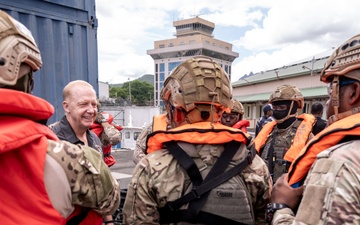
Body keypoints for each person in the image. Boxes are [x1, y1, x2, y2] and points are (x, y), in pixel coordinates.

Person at [0, 10, 120, 225]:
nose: (91, 110)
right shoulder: (54, 145)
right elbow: (108, 197)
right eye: (83, 104)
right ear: (66, 107)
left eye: (94, 104)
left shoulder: (93, 138)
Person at [123, 56, 272, 224]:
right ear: (222, 110)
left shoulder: (150, 168)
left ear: (175, 110)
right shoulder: (255, 165)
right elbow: (262, 219)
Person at [268, 34, 360, 224]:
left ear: (354, 93)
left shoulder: (338, 162)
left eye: (331, 91)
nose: (327, 102)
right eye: (275, 106)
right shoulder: (268, 132)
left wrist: (281, 209)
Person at [250, 84, 316, 183]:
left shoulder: (305, 136)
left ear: (293, 107)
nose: (277, 111)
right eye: (275, 108)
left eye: (281, 107)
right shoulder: (268, 132)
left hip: (289, 191)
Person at [90, 101, 122, 167]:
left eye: (94, 107)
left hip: (101, 162)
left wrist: (104, 122)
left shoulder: (104, 127)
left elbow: (115, 138)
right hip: (92, 162)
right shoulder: (84, 127)